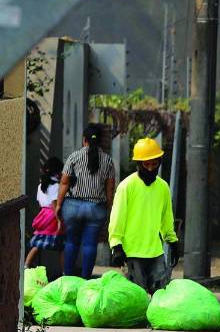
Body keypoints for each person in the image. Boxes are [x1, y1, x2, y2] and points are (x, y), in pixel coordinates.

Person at [108, 137, 179, 294]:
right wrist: (116, 245)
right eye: (146, 165)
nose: (150, 169)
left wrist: (172, 241)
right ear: (138, 164)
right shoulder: (126, 187)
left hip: (155, 252)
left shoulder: (163, 187)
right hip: (131, 253)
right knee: (137, 298)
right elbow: (117, 217)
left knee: (161, 295)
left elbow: (166, 217)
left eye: (154, 164)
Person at [55, 124, 116, 279]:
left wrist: (59, 204)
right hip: (96, 209)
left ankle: (68, 278)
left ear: (84, 140)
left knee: (71, 242)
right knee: (90, 244)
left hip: (72, 207)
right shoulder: (108, 161)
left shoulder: (74, 157)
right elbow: (110, 188)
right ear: (100, 141)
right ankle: (85, 279)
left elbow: (64, 182)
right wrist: (109, 208)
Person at [26, 157, 64, 268]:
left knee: (38, 244)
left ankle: (26, 266)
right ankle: (65, 273)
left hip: (43, 215)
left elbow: (39, 202)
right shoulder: (56, 186)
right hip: (53, 216)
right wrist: (59, 221)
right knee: (62, 246)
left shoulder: (40, 185)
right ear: (58, 172)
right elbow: (54, 204)